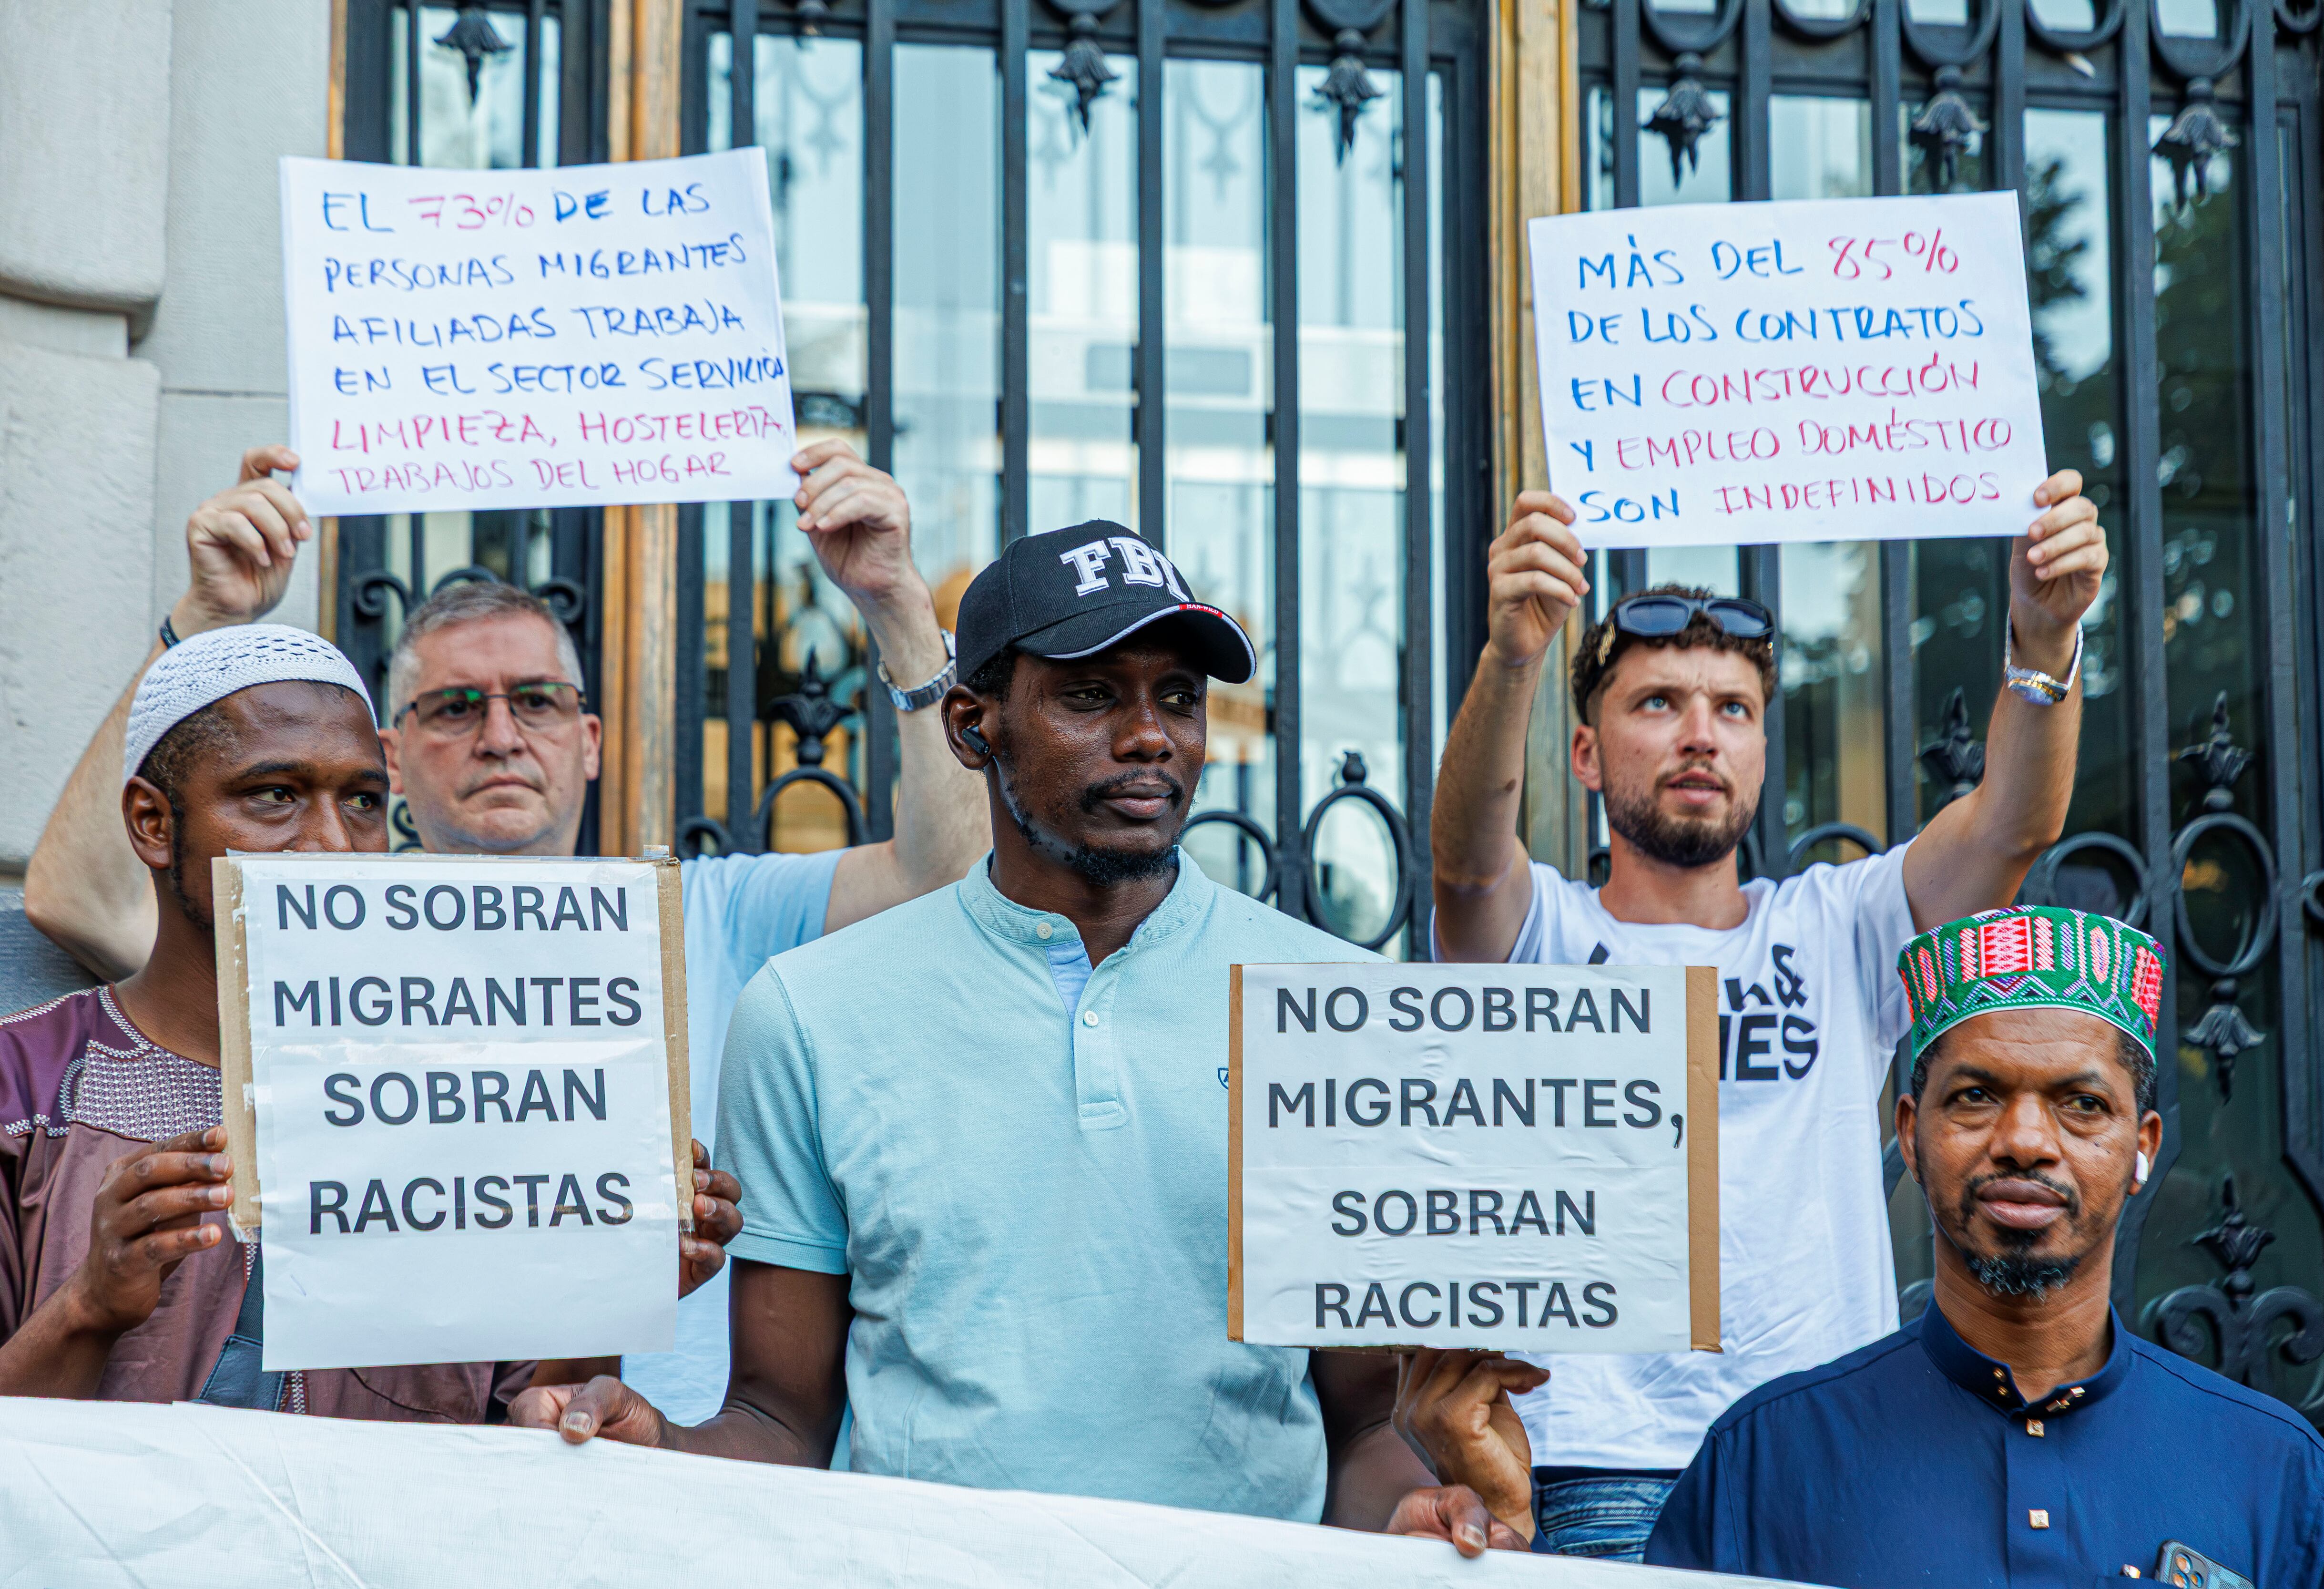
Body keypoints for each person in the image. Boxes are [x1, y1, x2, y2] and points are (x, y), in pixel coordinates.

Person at [504, 519, 1504, 1543]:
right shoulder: (808, 1011)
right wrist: (659, 1446)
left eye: (1179, 696)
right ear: (974, 725)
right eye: (1090, 694)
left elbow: (1361, 1422)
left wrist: (1411, 1510)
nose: (1152, 734)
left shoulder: (1337, 1003)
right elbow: (780, 1419)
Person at [20, 439, 989, 1421]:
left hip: (676, 1472)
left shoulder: (707, 907)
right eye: (454, 707)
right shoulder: (317, 933)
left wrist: (896, 601)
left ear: (591, 738)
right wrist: (209, 620)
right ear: (394, 761)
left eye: (537, 701)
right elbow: (79, 893)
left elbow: (951, 882)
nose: (500, 734)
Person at [1429, 472, 2110, 1558]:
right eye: (1657, 702)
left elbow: (2009, 828)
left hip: (1829, 1449)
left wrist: (2045, 642)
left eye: (1732, 709)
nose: (1700, 732)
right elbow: (1464, 864)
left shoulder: (1841, 926)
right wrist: (1514, 655)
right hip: (1600, 1466)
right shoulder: (1539, 932)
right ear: (1585, 754)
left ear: (1757, 753)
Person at [1397, 907, 2324, 1588]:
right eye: (1976, 1095)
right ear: (1909, 1134)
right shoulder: (1766, 1457)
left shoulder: (2276, 1472)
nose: (2026, 1139)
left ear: (2141, 1147)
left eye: (2082, 1104)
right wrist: (1507, 1535)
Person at [0, 624, 742, 1417]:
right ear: (153, 823)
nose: (329, 843)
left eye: (361, 801)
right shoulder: (27, 1084)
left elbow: (527, 1423)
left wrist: (612, 1275)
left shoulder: (477, 1090)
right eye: (275, 795)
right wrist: (88, 1307)